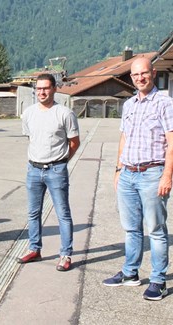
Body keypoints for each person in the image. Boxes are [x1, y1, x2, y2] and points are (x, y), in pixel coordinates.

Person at [102, 57, 173, 301]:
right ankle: (130, 273)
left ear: (152, 73)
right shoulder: (129, 104)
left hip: (153, 173)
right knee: (131, 228)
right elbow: (124, 139)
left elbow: (172, 142)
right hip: (128, 173)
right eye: (135, 75)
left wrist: (167, 175)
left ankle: (158, 281)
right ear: (130, 78)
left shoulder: (165, 103)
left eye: (144, 73)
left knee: (155, 229)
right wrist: (118, 169)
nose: (140, 78)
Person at [17, 73, 80, 271]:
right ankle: (34, 249)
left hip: (56, 169)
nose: (42, 92)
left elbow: (74, 142)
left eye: (46, 88)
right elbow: (32, 139)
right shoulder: (28, 114)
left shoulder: (65, 114)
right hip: (33, 169)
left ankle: (65, 254)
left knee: (63, 213)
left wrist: (62, 162)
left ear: (54, 89)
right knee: (33, 212)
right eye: (39, 88)